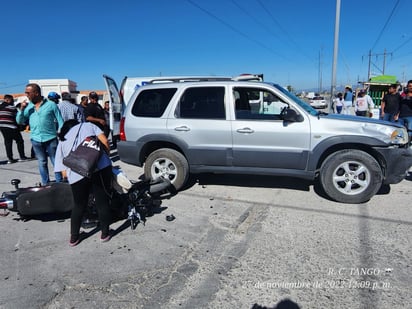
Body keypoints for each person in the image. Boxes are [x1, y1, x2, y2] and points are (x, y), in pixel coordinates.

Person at [54, 119, 113, 246]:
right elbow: (105, 141)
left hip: (76, 174)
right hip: (100, 168)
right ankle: (105, 233)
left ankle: (74, 238)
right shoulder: (88, 125)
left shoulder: (63, 139)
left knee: (79, 205)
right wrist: (106, 156)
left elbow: (63, 172)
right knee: (102, 201)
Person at [16, 83, 64, 185]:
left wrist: (61, 133)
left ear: (36, 93)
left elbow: (60, 120)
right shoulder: (29, 107)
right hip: (36, 139)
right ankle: (45, 184)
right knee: (42, 162)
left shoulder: (51, 105)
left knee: (55, 161)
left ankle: (60, 182)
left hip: (50, 138)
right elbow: (20, 121)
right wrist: (22, 109)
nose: (26, 95)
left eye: (28, 93)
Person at [0, 94, 28, 163]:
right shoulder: (12, 107)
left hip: (2, 127)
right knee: (19, 141)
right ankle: (22, 156)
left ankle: (10, 159)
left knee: (8, 142)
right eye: (11, 100)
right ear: (7, 100)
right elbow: (17, 117)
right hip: (11, 126)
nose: (12, 101)